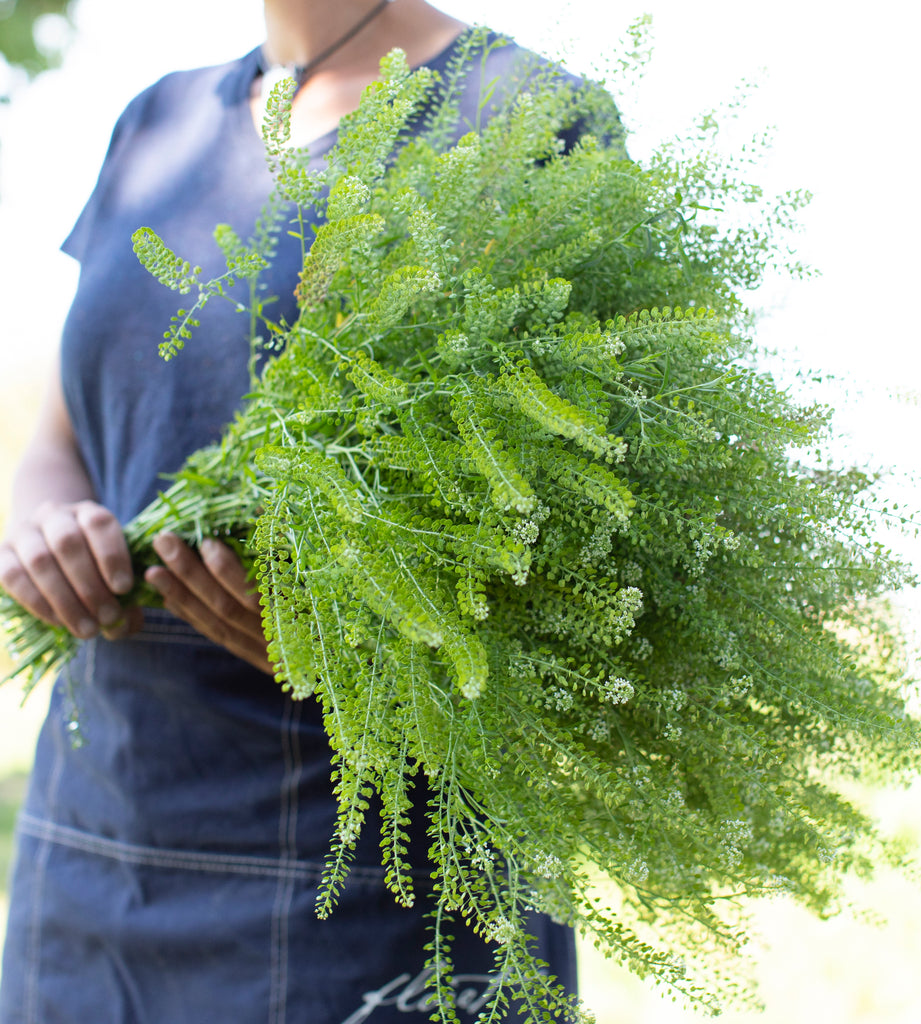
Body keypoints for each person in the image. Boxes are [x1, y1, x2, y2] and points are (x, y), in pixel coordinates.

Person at [0, 2, 582, 1020]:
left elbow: (574, 556)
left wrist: (366, 650)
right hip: (99, 851)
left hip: (367, 887)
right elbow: (64, 436)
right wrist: (48, 528)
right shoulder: (155, 125)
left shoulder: (521, 114)